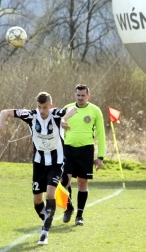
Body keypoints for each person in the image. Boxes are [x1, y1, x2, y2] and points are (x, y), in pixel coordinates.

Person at [0, 92, 77, 245]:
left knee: (50, 193)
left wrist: (63, 119)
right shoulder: (30, 115)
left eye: (45, 107)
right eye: (39, 107)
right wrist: (1, 124)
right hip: (39, 163)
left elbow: (74, 109)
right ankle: (50, 218)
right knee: (37, 200)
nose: (42, 111)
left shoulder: (56, 114)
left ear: (51, 106)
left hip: (56, 162)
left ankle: (44, 233)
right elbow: (5, 112)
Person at [61, 84, 105, 226]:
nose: (80, 98)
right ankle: (68, 208)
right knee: (64, 182)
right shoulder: (67, 109)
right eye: (78, 95)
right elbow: (57, 126)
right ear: (75, 95)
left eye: (83, 95)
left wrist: (100, 157)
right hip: (68, 149)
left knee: (82, 182)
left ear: (88, 96)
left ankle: (79, 215)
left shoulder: (95, 111)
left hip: (86, 150)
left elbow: (101, 134)